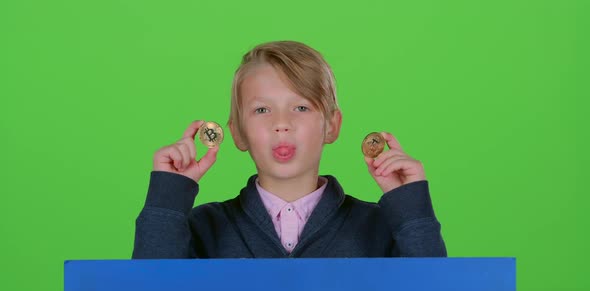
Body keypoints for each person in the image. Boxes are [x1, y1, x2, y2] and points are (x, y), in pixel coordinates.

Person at [132, 40, 447, 258]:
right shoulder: (204, 227)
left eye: (300, 107)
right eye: (262, 110)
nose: (281, 124)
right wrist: (168, 198)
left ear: (331, 126)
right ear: (238, 133)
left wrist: (410, 208)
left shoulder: (381, 226)